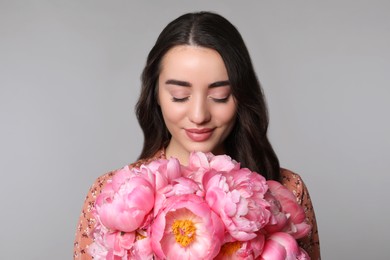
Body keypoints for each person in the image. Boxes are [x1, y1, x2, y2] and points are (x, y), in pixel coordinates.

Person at [74, 11, 320, 259]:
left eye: (220, 96)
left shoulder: (286, 191)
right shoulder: (112, 198)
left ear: (242, 96)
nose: (199, 115)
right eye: (180, 96)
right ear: (156, 95)